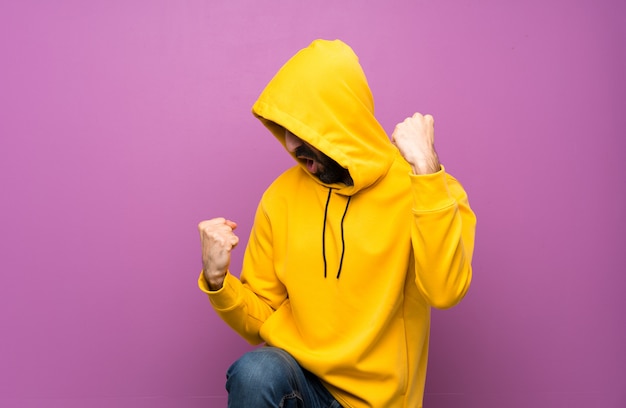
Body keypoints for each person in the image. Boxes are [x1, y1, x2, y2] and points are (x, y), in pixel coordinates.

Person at [197, 39, 476, 408]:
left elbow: (445, 292)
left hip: (380, 401)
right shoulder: (280, 197)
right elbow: (260, 317)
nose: (292, 143)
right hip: (302, 386)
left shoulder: (425, 188)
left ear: (343, 121)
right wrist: (218, 282)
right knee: (256, 372)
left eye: (305, 127)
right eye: (283, 127)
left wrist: (426, 169)